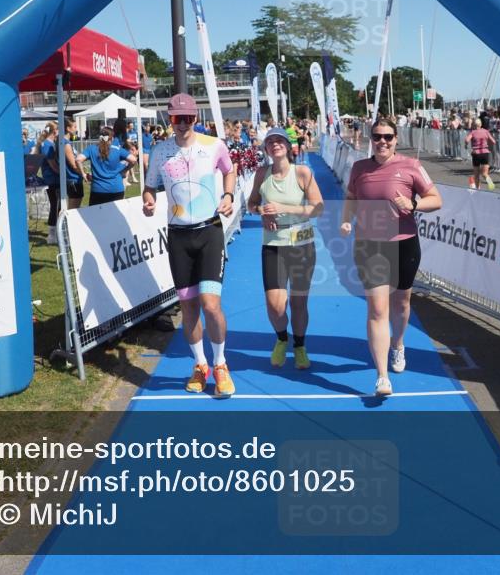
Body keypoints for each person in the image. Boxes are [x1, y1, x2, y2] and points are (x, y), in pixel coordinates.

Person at [340, 118, 443, 396]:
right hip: (369, 246)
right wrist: (347, 219)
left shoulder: (410, 166)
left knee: (402, 303)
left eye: (387, 137)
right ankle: (382, 376)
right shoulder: (360, 168)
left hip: (404, 244)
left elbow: (436, 198)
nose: (382, 142)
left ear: (396, 138)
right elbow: (351, 197)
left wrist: (413, 204)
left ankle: (398, 345)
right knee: (376, 309)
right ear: (370, 139)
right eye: (377, 137)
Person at [143, 94, 237, 397]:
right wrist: (148, 199)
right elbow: (149, 185)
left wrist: (228, 195)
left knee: (211, 305)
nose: (182, 124)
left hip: (208, 231)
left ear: (196, 118)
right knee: (188, 307)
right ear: (169, 119)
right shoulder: (159, 151)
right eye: (176, 118)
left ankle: (220, 364)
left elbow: (229, 170)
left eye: (188, 118)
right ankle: (200, 365)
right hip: (178, 236)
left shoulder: (213, 145)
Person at [247, 128, 324, 370]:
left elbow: (318, 208)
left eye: (280, 140)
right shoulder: (262, 173)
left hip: (302, 245)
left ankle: (299, 346)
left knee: (298, 303)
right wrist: (261, 213)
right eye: (270, 142)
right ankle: (282, 339)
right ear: (266, 149)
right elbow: (251, 204)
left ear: (289, 146)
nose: (275, 144)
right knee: (275, 305)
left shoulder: (302, 172)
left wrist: (285, 209)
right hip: (273, 245)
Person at [39, 119, 84, 243]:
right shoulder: (48, 145)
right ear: (55, 131)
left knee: (59, 206)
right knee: (56, 205)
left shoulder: (54, 143)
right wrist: (65, 174)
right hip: (52, 179)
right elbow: (53, 165)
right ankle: (52, 234)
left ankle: (58, 233)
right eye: (58, 129)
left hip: (58, 179)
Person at [79, 126, 137, 205]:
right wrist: (124, 170)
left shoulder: (91, 148)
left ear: (100, 137)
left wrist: (83, 174)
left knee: (97, 216)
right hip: (117, 189)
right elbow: (133, 160)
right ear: (112, 138)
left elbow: (78, 159)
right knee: (115, 216)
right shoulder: (117, 150)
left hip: (98, 190)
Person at [464, 118, 496, 190]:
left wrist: (465, 145)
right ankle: (490, 183)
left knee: (476, 174)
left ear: (473, 125)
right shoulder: (486, 131)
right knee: (484, 173)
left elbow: (466, 140)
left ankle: (478, 189)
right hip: (485, 153)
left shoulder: (473, 132)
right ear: (480, 124)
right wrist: (488, 146)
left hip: (476, 154)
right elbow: (493, 141)